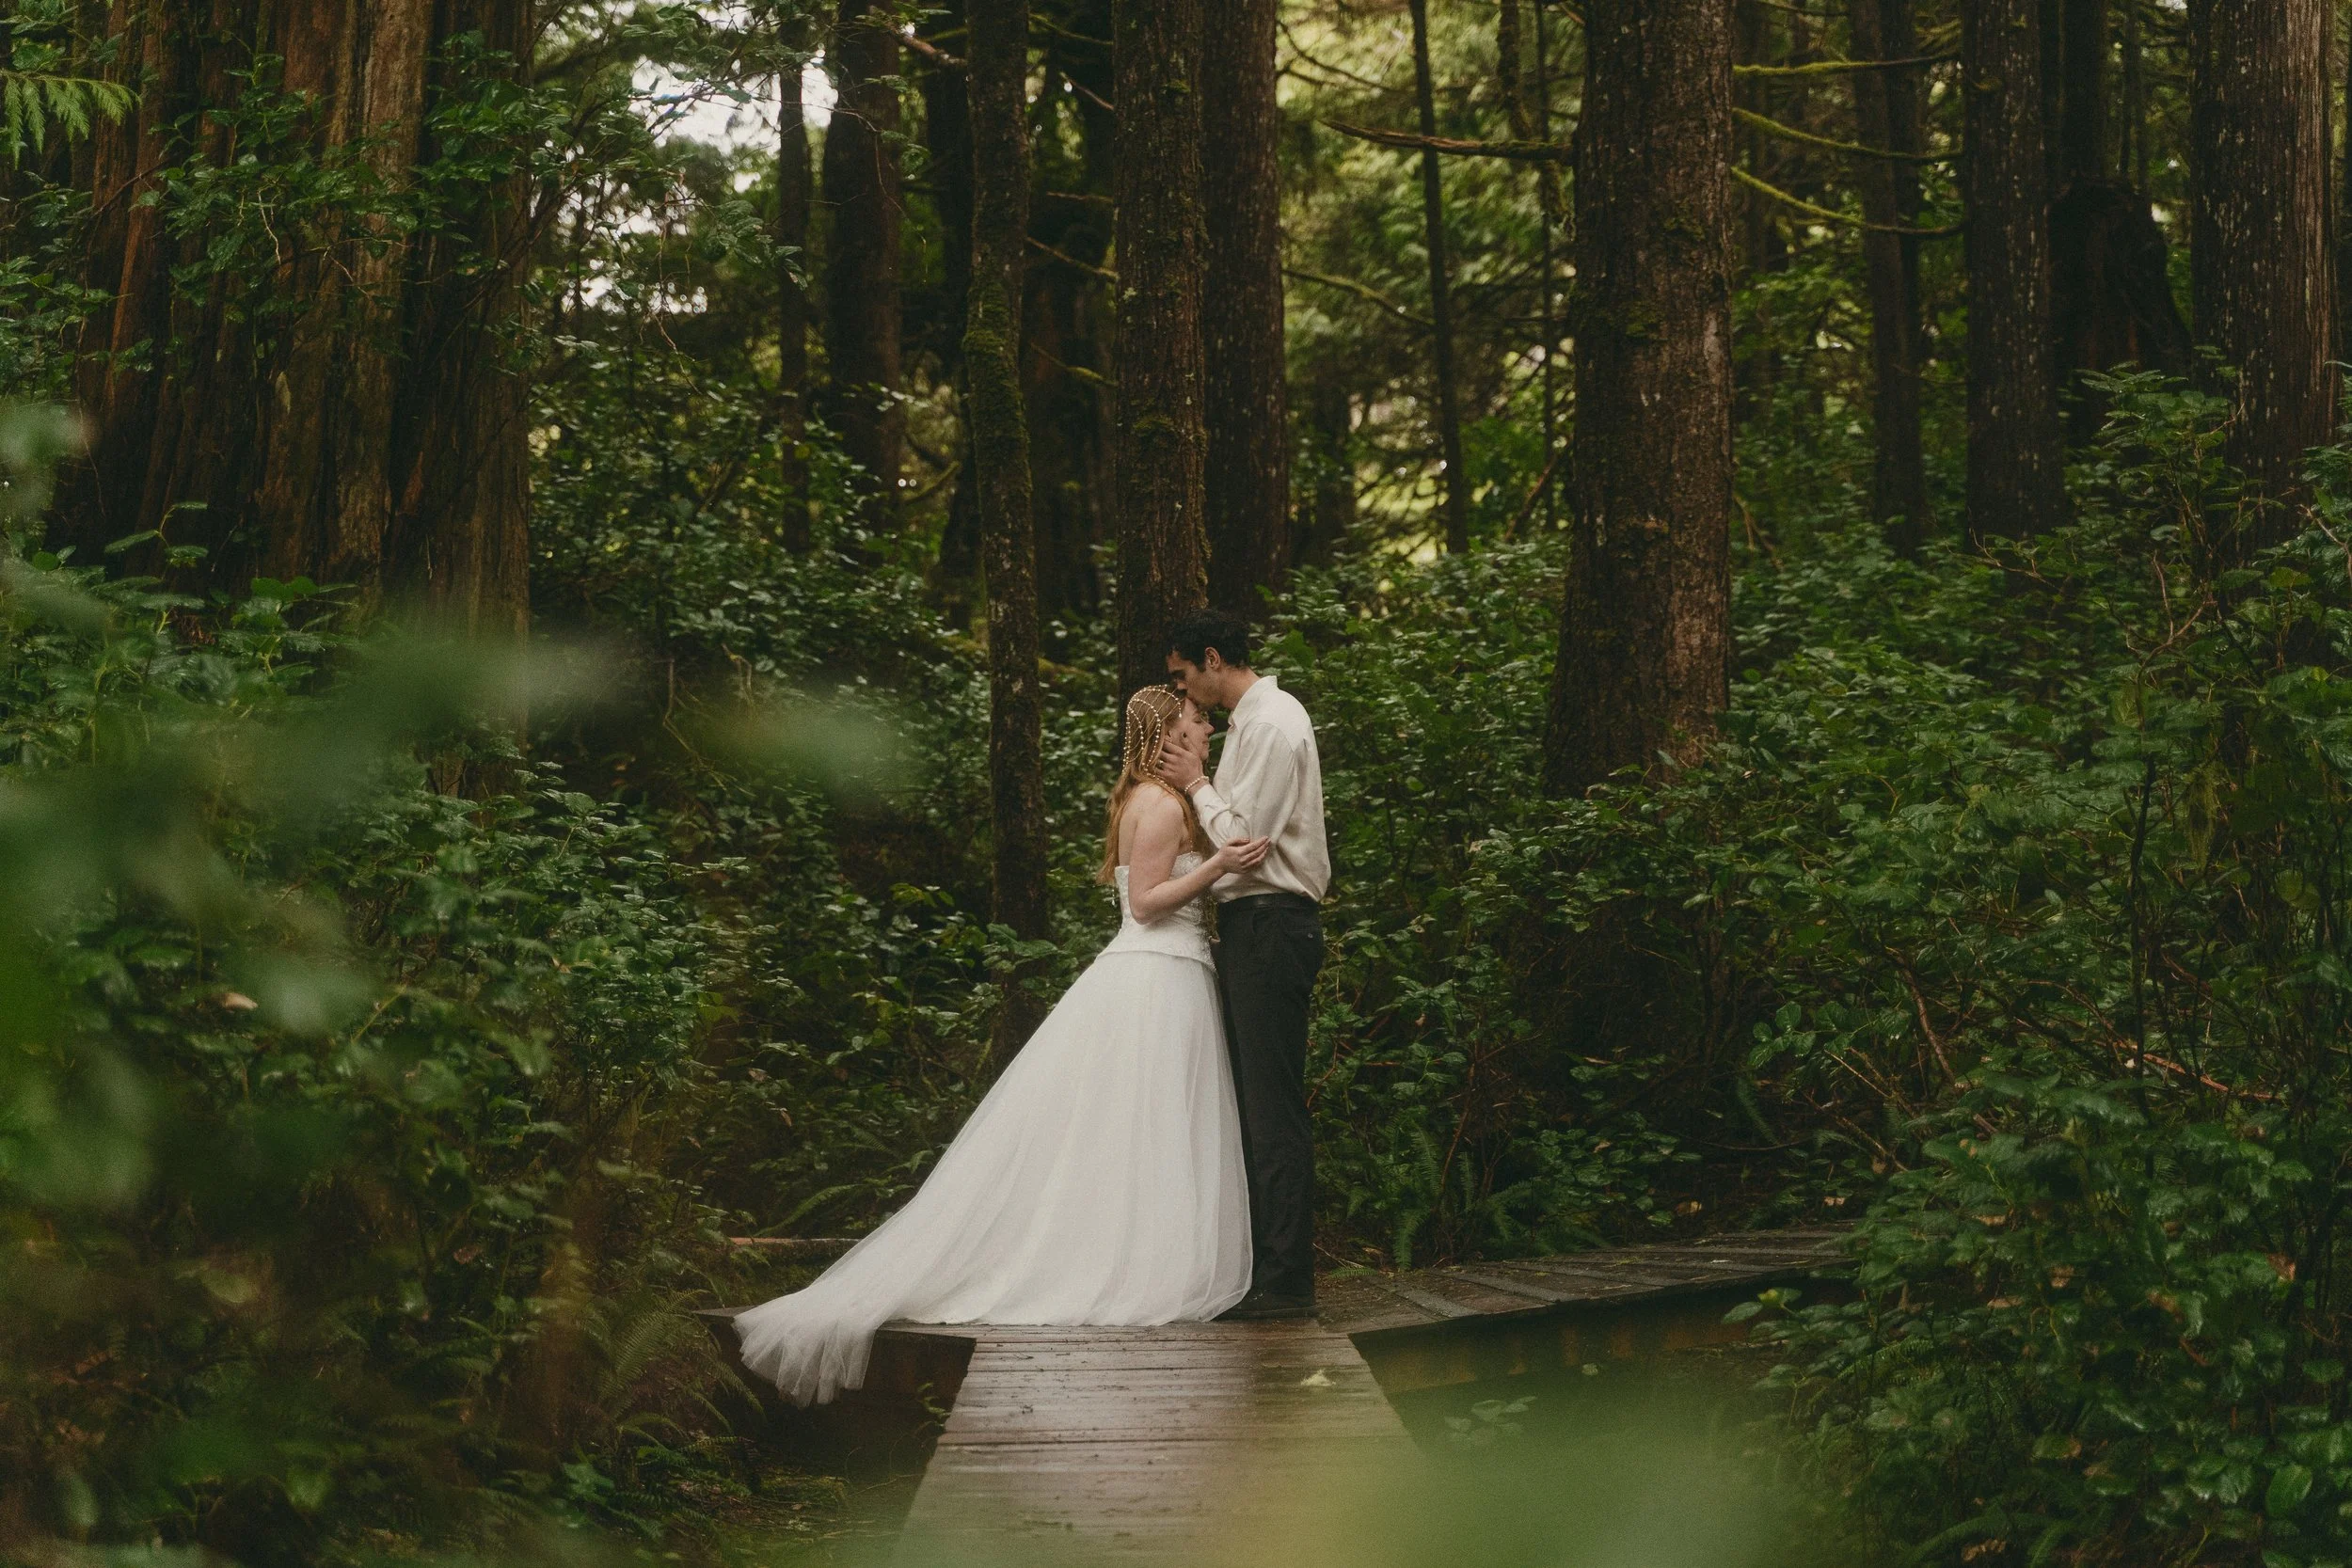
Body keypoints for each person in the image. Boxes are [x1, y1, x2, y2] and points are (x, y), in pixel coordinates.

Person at [731, 688, 1271, 1406]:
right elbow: (1143, 903)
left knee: (1142, 1129)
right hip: (1156, 975)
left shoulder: (1151, 797)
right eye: (1194, 724)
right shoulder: (1162, 804)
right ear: (1168, 735)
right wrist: (1219, 866)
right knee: (1147, 1124)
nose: (1204, 733)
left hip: (1172, 972)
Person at [1159, 609, 1331, 1322]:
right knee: (1256, 1104)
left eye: (1182, 676)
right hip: (1255, 926)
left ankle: (1287, 1281)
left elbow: (1245, 845)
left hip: (1270, 925)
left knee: (1270, 1106)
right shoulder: (1256, 722)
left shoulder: (1267, 725)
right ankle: (1267, 1270)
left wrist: (1197, 783)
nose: (1184, 693)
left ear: (1210, 657)